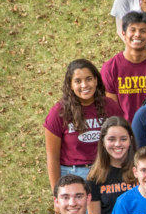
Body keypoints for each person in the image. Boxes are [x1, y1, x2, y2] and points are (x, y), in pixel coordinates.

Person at [45, 60, 126, 189]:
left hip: (106, 172)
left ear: (96, 80)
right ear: (70, 85)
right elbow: (53, 158)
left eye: (88, 79)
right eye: (78, 81)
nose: (84, 85)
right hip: (73, 176)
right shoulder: (59, 112)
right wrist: (56, 194)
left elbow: (123, 141)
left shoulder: (110, 107)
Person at [102, 12, 146, 122]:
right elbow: (112, 110)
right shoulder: (110, 68)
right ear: (123, 34)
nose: (137, 34)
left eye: (143, 31)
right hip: (124, 131)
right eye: (132, 30)